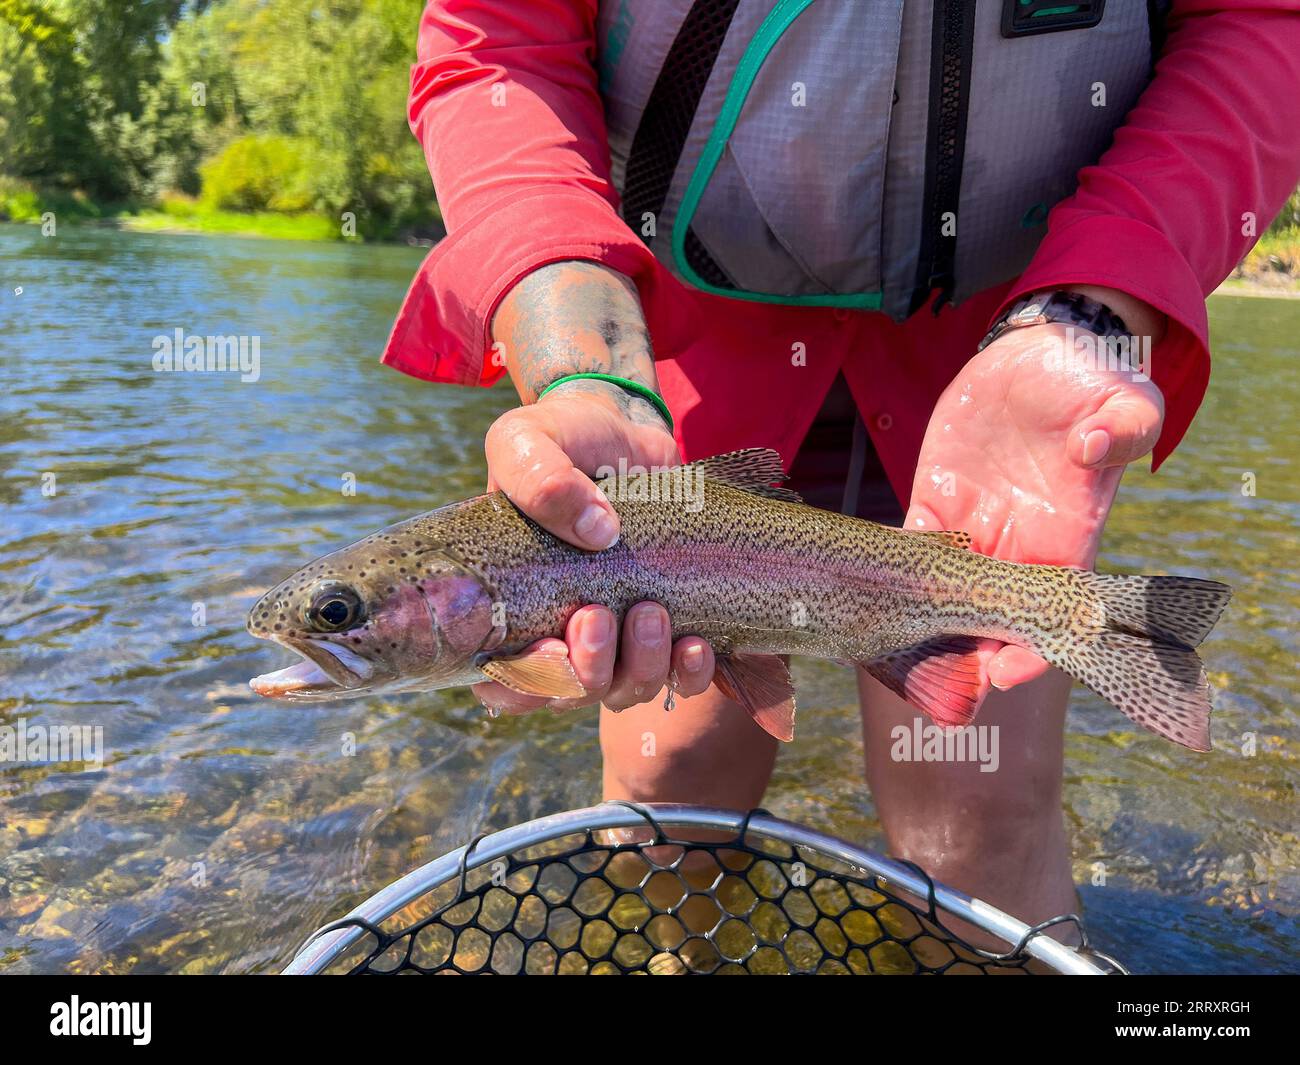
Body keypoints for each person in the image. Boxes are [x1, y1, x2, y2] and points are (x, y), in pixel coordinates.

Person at [379, 0, 1300, 931]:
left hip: (991, 361)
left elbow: (1262, 23)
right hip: (693, 344)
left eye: (345, 616)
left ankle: (1104, 633)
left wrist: (1096, 313)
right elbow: (496, 42)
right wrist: (583, 360)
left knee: (975, 826)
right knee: (667, 791)